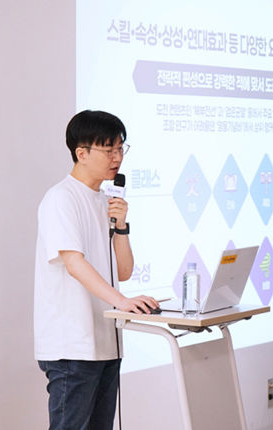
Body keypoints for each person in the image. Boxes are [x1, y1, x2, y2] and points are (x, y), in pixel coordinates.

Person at [34, 110, 159, 430]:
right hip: (72, 346)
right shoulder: (61, 198)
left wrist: (122, 226)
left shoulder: (105, 200)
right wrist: (122, 302)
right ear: (82, 153)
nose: (117, 157)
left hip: (106, 343)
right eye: (109, 149)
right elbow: (74, 264)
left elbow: (124, 271)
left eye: (120, 148)